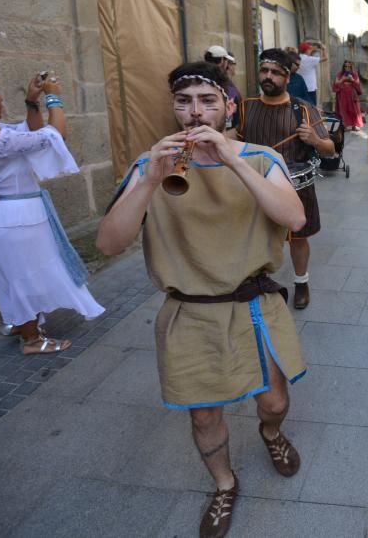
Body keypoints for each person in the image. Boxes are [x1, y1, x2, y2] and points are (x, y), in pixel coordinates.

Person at [96, 61, 307, 538]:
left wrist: (231, 158)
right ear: (174, 108)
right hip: (190, 309)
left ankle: (270, 434)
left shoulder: (259, 159)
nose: (195, 113)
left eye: (208, 102)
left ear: (229, 107)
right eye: (184, 102)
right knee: (205, 414)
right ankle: (225, 484)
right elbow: (109, 244)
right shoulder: (149, 165)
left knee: (274, 401)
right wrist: (150, 178)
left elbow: (293, 219)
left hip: (254, 303)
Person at [0, 69, 103, 353]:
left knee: (13, 275)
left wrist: (31, 101)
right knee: (25, 276)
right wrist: (53, 97)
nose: (0, 99)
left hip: (3, 214)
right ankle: (32, 339)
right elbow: (55, 135)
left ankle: (21, 322)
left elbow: (33, 132)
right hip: (18, 218)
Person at [238, 49, 335, 310]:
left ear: (287, 76)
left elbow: (330, 149)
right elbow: (233, 140)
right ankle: (259, 279)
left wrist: (314, 140)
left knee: (298, 237)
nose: (268, 76)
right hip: (257, 186)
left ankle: (301, 282)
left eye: (276, 72)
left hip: (296, 186)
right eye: (264, 71)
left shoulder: (302, 109)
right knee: (258, 235)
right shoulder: (246, 107)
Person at [204, 46, 241, 130]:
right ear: (222, 61)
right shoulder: (225, 84)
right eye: (226, 61)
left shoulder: (202, 79)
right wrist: (228, 129)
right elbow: (230, 114)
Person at [332, 60, 364, 130]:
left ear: (351, 67)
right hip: (342, 94)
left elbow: (357, 83)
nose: (347, 68)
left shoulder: (354, 74)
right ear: (343, 66)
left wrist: (352, 79)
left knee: (353, 110)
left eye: (349, 66)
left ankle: (354, 125)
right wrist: (343, 79)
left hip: (352, 94)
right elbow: (336, 83)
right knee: (343, 109)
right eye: (346, 66)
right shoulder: (340, 74)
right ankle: (345, 125)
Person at [296, 41, 327, 108]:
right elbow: (325, 58)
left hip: (299, 86)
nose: (310, 51)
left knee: (301, 107)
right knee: (312, 108)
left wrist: (313, 48)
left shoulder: (297, 58)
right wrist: (324, 49)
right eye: (309, 49)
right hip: (310, 88)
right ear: (306, 50)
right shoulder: (310, 59)